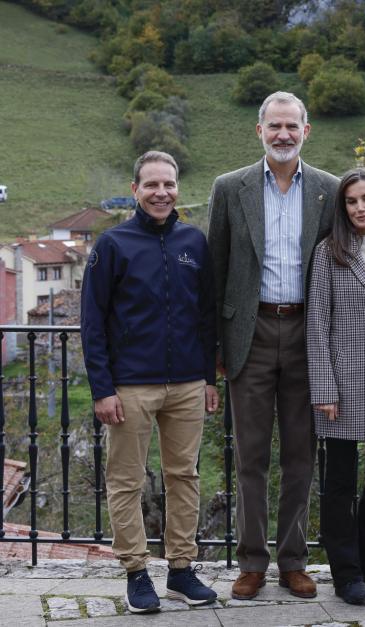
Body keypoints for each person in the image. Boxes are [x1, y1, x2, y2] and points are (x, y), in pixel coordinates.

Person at [207, 91, 339, 600]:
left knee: (301, 456)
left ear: (307, 131)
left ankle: (293, 560)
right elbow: (216, 272)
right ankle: (252, 562)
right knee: (251, 456)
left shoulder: (329, 190)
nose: (283, 134)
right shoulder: (229, 188)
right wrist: (213, 352)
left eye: (292, 126)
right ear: (258, 131)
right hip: (250, 334)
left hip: (309, 333)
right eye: (274, 126)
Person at [81, 151, 218, 613]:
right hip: (129, 387)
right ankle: (136, 573)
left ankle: (181, 570)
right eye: (152, 184)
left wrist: (209, 377)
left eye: (169, 184)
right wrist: (102, 388)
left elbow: (205, 316)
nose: (162, 192)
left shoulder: (194, 242)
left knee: (185, 476)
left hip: (186, 385)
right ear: (136, 188)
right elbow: (92, 322)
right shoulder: (112, 244)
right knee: (126, 481)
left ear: (178, 188)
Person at [306, 168, 365, 605]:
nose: (360, 207)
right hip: (341, 386)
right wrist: (323, 387)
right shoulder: (330, 252)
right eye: (351, 201)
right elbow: (317, 323)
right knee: (340, 484)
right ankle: (345, 574)